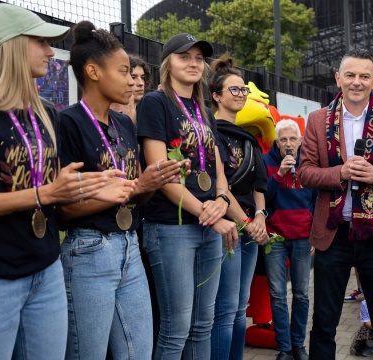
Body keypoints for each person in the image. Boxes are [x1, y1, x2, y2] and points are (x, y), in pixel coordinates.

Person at [0, 4, 133, 359]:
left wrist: (89, 186)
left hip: (46, 267)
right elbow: (42, 190)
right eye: (40, 42)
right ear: (12, 45)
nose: (51, 51)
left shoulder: (46, 111)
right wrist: (43, 193)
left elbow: (53, 186)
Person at [58, 21, 191, 359]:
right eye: (122, 71)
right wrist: (132, 189)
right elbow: (62, 209)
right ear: (93, 72)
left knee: (138, 352)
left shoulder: (124, 124)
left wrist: (154, 180)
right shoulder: (68, 123)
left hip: (130, 246)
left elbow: (138, 195)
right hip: (89, 250)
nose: (132, 80)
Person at [298, 48, 373, 360]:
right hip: (332, 235)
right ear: (338, 79)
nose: (356, 82)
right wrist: (339, 172)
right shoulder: (317, 119)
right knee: (324, 323)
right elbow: (305, 173)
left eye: (364, 76)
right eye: (350, 75)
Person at [137, 33, 239, 359]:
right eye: (184, 57)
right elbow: (161, 173)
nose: (193, 63)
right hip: (172, 226)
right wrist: (208, 213)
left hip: (208, 222)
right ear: (168, 63)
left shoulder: (204, 109)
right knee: (176, 327)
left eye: (198, 58)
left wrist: (221, 203)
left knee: (202, 324)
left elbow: (220, 172)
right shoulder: (155, 102)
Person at [209, 55, 269, 360]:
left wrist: (259, 217)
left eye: (243, 90)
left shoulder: (250, 139)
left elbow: (260, 185)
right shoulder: (211, 133)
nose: (241, 95)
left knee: (240, 307)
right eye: (233, 90)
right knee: (226, 307)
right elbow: (222, 186)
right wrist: (246, 221)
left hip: (250, 228)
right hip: (228, 229)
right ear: (216, 96)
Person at [263, 119, 315, 360]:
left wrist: (316, 232)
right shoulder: (266, 162)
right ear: (277, 142)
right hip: (275, 236)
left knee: (302, 294)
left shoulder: (309, 162)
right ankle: (283, 348)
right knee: (277, 294)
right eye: (283, 139)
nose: (288, 144)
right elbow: (263, 197)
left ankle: (298, 345)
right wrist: (281, 173)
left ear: (300, 140)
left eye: (292, 139)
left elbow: (316, 199)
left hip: (303, 236)